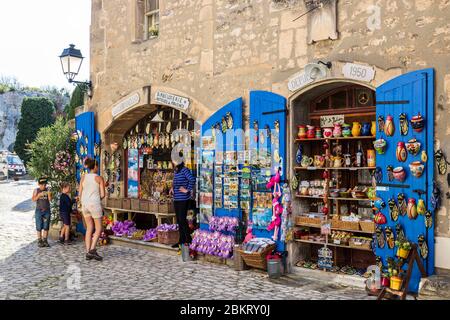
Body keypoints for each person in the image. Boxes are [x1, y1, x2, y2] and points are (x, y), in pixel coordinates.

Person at [79, 158, 105, 261]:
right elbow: (103, 194)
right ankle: (92, 249)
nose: (97, 168)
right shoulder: (99, 178)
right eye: (97, 166)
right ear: (95, 166)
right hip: (94, 204)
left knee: (89, 227)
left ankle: (87, 252)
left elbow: (80, 193)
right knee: (99, 228)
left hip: (85, 205)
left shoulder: (83, 177)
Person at [170, 161, 196, 251]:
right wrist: (172, 188)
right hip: (176, 199)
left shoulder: (185, 170)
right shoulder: (176, 171)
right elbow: (175, 182)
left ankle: (188, 240)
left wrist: (187, 190)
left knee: (182, 220)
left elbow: (192, 179)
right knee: (179, 221)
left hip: (183, 199)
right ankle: (181, 241)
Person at [32, 177, 52, 248]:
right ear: (38, 184)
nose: (43, 186)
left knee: (46, 226)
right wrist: (38, 195)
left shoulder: (47, 190)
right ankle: (39, 240)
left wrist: (49, 194)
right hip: (39, 211)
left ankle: (45, 240)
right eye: (41, 185)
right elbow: (33, 199)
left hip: (46, 210)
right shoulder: (36, 190)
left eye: (44, 185)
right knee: (39, 225)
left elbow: (50, 199)